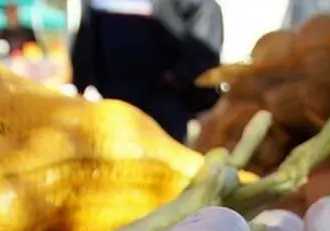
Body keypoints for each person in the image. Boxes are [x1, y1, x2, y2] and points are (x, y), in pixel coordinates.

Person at [70, 0, 223, 143]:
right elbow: (87, 29)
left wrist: (181, 75)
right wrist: (81, 82)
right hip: (110, 102)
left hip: (162, 102)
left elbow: (207, 14)